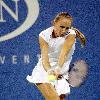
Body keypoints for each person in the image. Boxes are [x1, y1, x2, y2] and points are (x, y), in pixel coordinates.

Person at [26, 12, 86, 100]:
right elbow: (45, 58)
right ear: (54, 23)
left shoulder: (71, 35)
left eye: (67, 28)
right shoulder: (43, 35)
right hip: (44, 70)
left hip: (61, 70)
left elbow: (64, 53)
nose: (64, 30)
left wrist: (58, 69)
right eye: (61, 27)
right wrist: (50, 70)